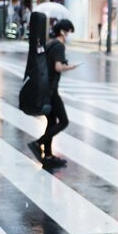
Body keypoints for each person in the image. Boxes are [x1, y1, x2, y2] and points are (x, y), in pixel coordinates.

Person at [29, 19, 79, 168]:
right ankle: (38, 143)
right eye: (68, 31)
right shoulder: (59, 46)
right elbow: (57, 67)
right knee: (63, 121)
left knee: (51, 122)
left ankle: (48, 156)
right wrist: (71, 67)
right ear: (63, 31)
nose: (68, 35)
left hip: (44, 88)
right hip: (51, 90)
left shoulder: (50, 44)